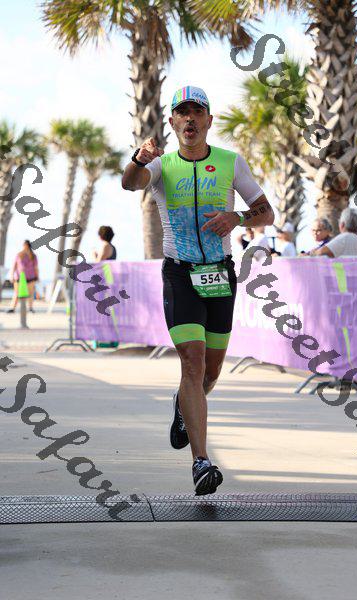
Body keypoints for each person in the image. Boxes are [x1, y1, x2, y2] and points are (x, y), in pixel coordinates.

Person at [122, 85, 274, 495]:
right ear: (173, 122)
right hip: (180, 275)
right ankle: (201, 462)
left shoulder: (230, 161)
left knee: (210, 372)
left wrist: (236, 217)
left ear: (209, 120)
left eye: (197, 112)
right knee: (192, 363)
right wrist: (138, 160)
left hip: (220, 274)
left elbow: (267, 212)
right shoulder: (161, 165)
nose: (190, 118)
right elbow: (130, 183)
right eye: (182, 112)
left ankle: (182, 404)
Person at [7, 240, 39, 313]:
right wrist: (12, 276)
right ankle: (12, 308)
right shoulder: (19, 255)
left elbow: (36, 267)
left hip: (30, 277)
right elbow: (14, 266)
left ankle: (30, 308)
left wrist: (37, 276)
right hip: (19, 277)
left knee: (30, 293)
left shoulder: (33, 256)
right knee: (16, 293)